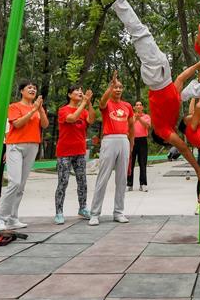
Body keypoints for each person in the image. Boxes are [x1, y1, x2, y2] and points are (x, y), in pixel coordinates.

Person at [104, 0, 200, 182]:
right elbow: (179, 80)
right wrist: (197, 65)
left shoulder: (163, 129)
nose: (177, 138)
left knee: (140, 34)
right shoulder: (175, 105)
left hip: (156, 78)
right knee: (142, 34)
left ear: (164, 138)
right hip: (163, 76)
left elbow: (185, 150)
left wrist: (197, 170)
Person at [0, 81, 48, 231]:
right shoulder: (14, 106)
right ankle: (1, 219)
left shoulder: (38, 108)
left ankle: (13, 218)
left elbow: (44, 125)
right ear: (21, 91)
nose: (32, 90)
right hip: (15, 145)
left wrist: (40, 109)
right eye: (29, 88)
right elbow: (17, 124)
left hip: (33, 145)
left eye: (34, 88)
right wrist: (32, 111)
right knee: (15, 182)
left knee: (21, 185)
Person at [87, 72, 134, 226]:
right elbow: (101, 102)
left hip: (123, 140)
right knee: (103, 176)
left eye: (120, 87)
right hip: (109, 139)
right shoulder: (107, 104)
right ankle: (95, 213)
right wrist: (110, 85)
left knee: (121, 179)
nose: (118, 89)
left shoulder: (127, 106)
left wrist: (131, 143)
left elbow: (131, 125)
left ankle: (119, 212)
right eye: (115, 87)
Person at [54, 87, 95, 224]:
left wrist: (88, 103)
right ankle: (59, 212)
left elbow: (92, 119)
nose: (79, 92)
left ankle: (83, 208)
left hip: (80, 151)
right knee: (63, 182)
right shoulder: (63, 110)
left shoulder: (84, 111)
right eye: (76, 91)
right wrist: (83, 102)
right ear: (69, 94)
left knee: (82, 181)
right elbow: (71, 119)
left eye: (81, 91)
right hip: (65, 152)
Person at [128, 102, 150, 192]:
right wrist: (134, 117)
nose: (138, 106)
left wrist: (139, 118)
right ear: (134, 107)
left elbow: (147, 125)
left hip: (142, 141)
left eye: (140, 105)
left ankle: (143, 184)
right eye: (136, 105)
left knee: (142, 163)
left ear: (142, 107)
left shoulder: (146, 116)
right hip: (132, 141)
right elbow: (128, 126)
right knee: (130, 164)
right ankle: (129, 184)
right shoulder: (130, 117)